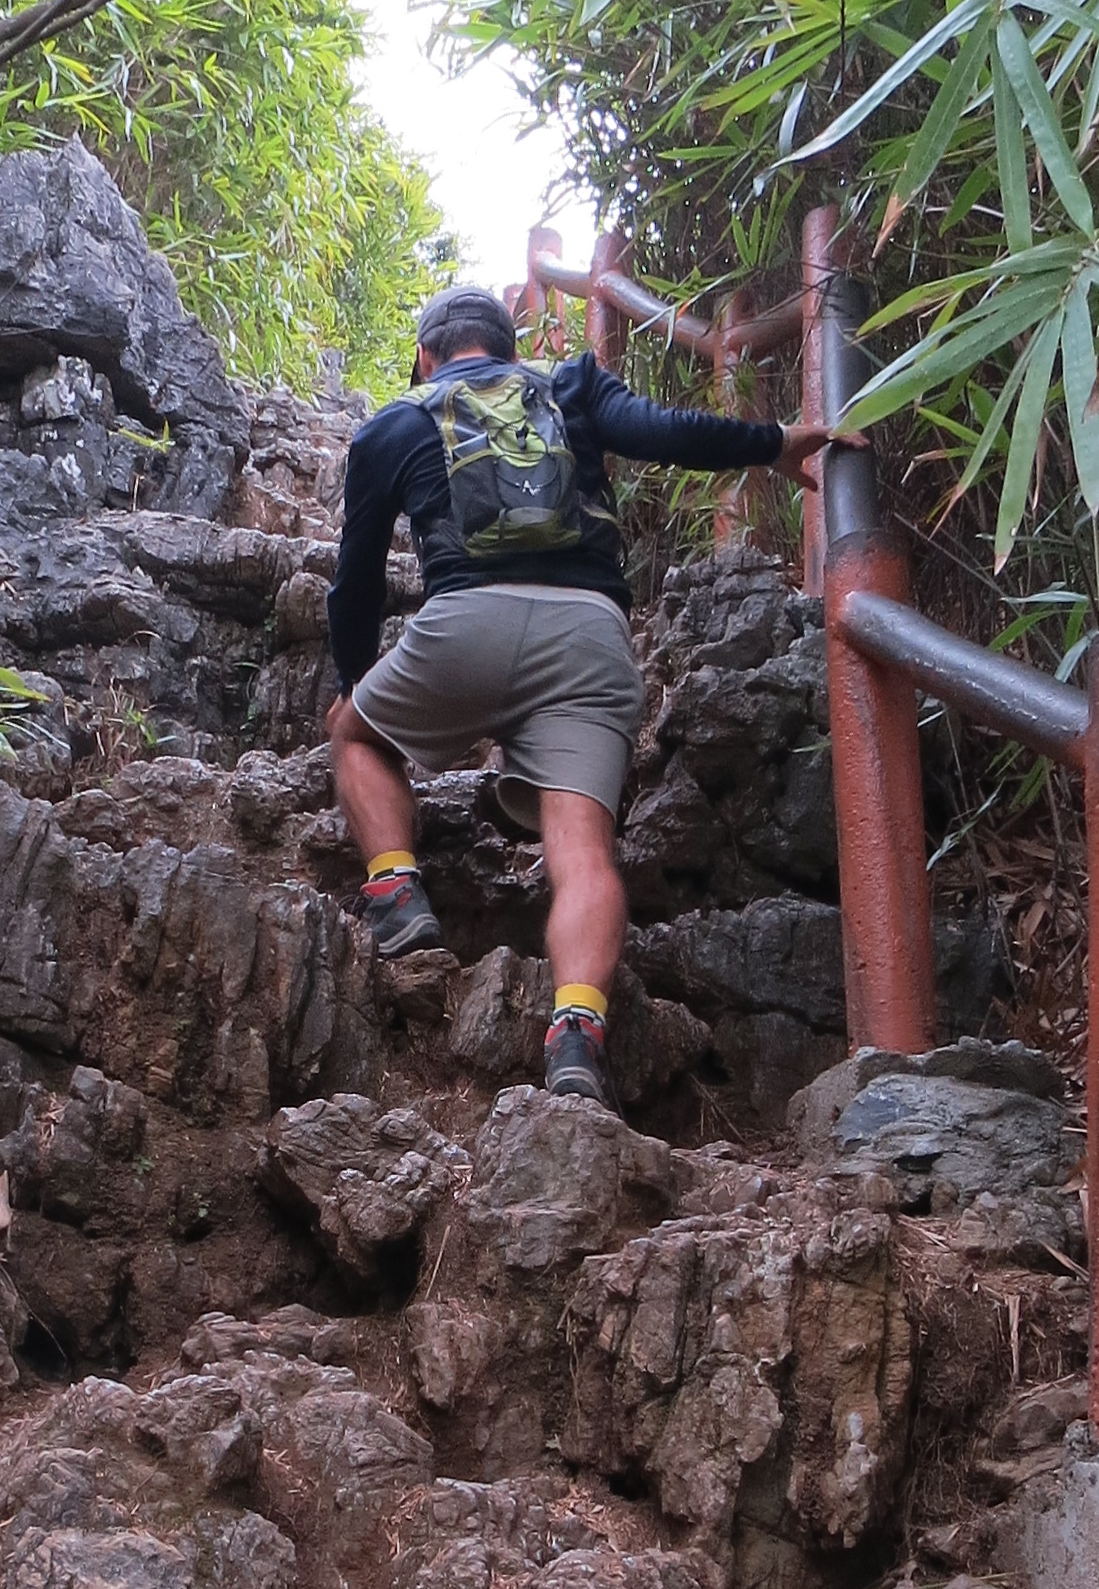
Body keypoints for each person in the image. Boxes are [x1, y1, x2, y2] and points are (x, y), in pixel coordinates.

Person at [326, 280, 829, 1102]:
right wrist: (770, 442)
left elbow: (354, 586)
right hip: (591, 638)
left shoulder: (395, 422)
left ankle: (397, 890)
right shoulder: (568, 387)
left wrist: (353, 684)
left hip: (465, 625)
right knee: (582, 852)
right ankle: (575, 1032)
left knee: (355, 734)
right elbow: (664, 431)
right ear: (512, 352)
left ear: (425, 359)